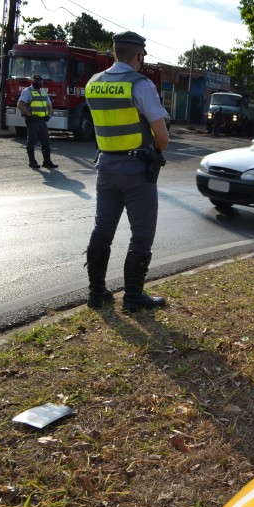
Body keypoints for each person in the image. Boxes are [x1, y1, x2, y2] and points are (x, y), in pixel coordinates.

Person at [84, 30, 170, 312]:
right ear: (139, 55)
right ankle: (133, 297)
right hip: (136, 169)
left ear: (114, 53)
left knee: (102, 229)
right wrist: (154, 154)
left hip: (105, 166)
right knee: (142, 233)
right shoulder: (141, 85)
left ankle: (97, 293)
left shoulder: (94, 83)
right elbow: (162, 135)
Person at [17, 74, 58, 169]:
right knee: (32, 141)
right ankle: (32, 161)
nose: (39, 84)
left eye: (40, 82)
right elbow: (20, 105)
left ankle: (47, 161)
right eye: (36, 82)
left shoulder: (43, 91)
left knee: (46, 142)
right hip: (32, 121)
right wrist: (30, 115)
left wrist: (49, 115)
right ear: (32, 82)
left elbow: (49, 105)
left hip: (43, 121)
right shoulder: (27, 92)